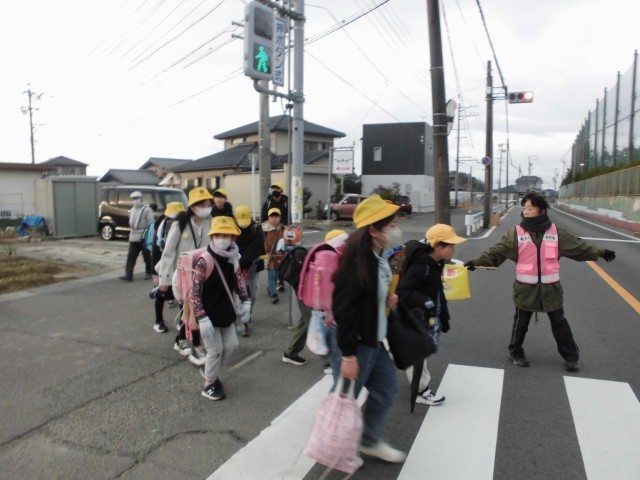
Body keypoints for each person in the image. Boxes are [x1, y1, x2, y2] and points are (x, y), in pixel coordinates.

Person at [465, 192, 617, 371]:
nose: (526, 211)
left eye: (530, 208)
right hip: (525, 289)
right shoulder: (516, 233)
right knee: (521, 323)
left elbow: (579, 246)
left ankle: (571, 356)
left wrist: (601, 252)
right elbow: (496, 252)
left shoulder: (556, 232)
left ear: (542, 210)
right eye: (525, 208)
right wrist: (476, 262)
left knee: (559, 323)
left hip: (551, 289)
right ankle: (515, 351)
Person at [331, 194, 406, 464]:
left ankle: (368, 440)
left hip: (374, 339)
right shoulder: (356, 265)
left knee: (387, 390)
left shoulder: (378, 256)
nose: (396, 230)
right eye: (392, 225)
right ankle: (337, 450)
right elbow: (344, 312)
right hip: (357, 344)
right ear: (373, 230)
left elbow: (369, 295)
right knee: (345, 399)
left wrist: (386, 299)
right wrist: (348, 356)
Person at [396, 224, 466, 406]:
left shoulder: (434, 263)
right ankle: (420, 391)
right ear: (438, 246)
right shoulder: (421, 266)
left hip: (424, 315)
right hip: (414, 316)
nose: (453, 249)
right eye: (451, 245)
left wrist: (444, 315)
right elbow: (403, 291)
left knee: (414, 351)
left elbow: (437, 292)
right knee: (418, 353)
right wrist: (427, 303)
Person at [191, 216, 251, 401]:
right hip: (208, 314)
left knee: (232, 346)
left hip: (225, 311)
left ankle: (210, 369)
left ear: (233, 238)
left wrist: (245, 301)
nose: (222, 239)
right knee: (215, 349)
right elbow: (195, 292)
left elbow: (238, 281)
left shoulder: (233, 258)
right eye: (218, 235)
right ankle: (209, 384)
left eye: (226, 235)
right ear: (212, 237)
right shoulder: (205, 260)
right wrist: (201, 317)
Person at [156, 187, 214, 363]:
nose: (207, 208)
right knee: (190, 310)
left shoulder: (210, 221)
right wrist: (164, 279)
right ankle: (191, 343)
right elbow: (168, 252)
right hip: (183, 275)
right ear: (193, 206)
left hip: (203, 272)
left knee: (190, 310)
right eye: (203, 205)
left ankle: (182, 340)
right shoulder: (180, 224)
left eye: (209, 204)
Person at [282, 229, 346, 371]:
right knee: (316, 325)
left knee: (305, 324)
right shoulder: (327, 256)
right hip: (310, 295)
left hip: (308, 293)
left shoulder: (329, 253)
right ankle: (328, 363)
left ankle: (290, 353)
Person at [151, 201, 185, 333]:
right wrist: (155, 274)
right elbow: (155, 252)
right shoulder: (161, 227)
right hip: (164, 266)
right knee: (161, 294)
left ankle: (183, 320)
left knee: (182, 295)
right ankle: (158, 321)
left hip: (178, 265)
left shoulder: (184, 225)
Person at [234, 205, 265, 335]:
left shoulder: (256, 228)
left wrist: (243, 259)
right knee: (241, 295)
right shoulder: (233, 229)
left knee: (254, 293)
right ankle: (243, 321)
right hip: (237, 268)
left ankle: (248, 311)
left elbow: (258, 247)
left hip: (253, 267)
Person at [120, 191, 154, 281]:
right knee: (131, 256)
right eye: (133, 199)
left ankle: (149, 272)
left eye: (137, 198)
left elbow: (151, 223)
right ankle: (128, 274)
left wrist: (147, 236)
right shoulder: (132, 210)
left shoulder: (147, 210)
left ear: (141, 199)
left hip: (144, 235)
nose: (135, 200)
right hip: (134, 236)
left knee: (146, 256)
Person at [262, 207, 284, 304]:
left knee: (276, 276)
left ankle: (270, 288)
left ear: (280, 218)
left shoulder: (283, 228)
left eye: (276, 216)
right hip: (269, 255)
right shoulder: (263, 229)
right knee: (272, 275)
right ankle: (274, 295)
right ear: (268, 218)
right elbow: (261, 242)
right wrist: (265, 252)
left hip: (279, 256)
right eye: (272, 217)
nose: (274, 219)